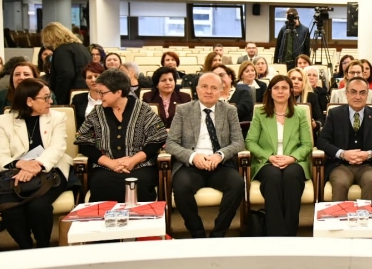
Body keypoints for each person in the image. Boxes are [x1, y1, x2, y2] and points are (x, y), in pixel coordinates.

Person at [0, 78, 71, 249]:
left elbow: (57, 148)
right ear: (29, 101)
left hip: (49, 171)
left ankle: (43, 246)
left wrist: (36, 165)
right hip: (15, 174)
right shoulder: (4, 121)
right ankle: (25, 247)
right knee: (10, 210)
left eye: (50, 96)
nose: (50, 101)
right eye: (46, 98)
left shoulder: (57, 118)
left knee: (39, 207)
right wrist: (20, 164)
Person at [165, 72, 245, 238]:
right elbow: (171, 143)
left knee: (237, 184)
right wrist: (193, 156)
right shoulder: (183, 110)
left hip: (220, 164)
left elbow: (239, 142)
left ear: (221, 91)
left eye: (214, 88)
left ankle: (218, 233)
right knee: (181, 187)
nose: (209, 91)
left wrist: (220, 155)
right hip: (191, 165)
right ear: (197, 89)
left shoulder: (229, 111)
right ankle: (198, 233)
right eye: (204, 86)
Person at [75, 69, 167, 203]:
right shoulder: (97, 113)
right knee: (100, 183)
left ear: (118, 92)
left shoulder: (143, 110)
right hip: (105, 167)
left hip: (140, 166)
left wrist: (133, 160)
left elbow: (157, 139)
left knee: (140, 183)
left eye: (102, 92)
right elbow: (83, 142)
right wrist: (110, 163)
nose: (99, 97)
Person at [245, 76, 313, 236]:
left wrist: (292, 158)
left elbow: (307, 144)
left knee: (291, 177)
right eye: (276, 88)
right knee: (273, 177)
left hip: (294, 161)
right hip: (267, 162)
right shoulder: (260, 113)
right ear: (270, 92)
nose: (280, 91)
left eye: (284, 88)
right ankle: (276, 234)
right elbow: (250, 142)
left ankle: (288, 233)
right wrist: (269, 157)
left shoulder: (300, 113)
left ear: (291, 91)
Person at [318, 77, 372, 201]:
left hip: (368, 165)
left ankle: (367, 214)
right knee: (340, 183)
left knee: (370, 181)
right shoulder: (334, 114)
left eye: (362, 93)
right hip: (340, 165)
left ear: (367, 95)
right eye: (353, 92)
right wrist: (342, 154)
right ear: (346, 94)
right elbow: (322, 141)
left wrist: (368, 154)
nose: (358, 97)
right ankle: (339, 214)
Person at [0, 61, 45, 145]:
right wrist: (0, 141)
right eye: (17, 74)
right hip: (7, 144)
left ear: (35, 78)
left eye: (26, 74)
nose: (21, 77)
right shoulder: (1, 96)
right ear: (12, 79)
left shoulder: (46, 96)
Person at [41, 21, 92, 105]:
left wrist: (59, 99)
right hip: (85, 92)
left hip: (70, 95)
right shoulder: (82, 48)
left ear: (51, 38)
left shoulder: (62, 50)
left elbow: (66, 74)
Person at [71, 62, 105, 128]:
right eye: (89, 77)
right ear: (85, 81)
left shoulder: (111, 97)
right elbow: (75, 124)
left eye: (96, 76)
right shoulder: (77, 99)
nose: (93, 80)